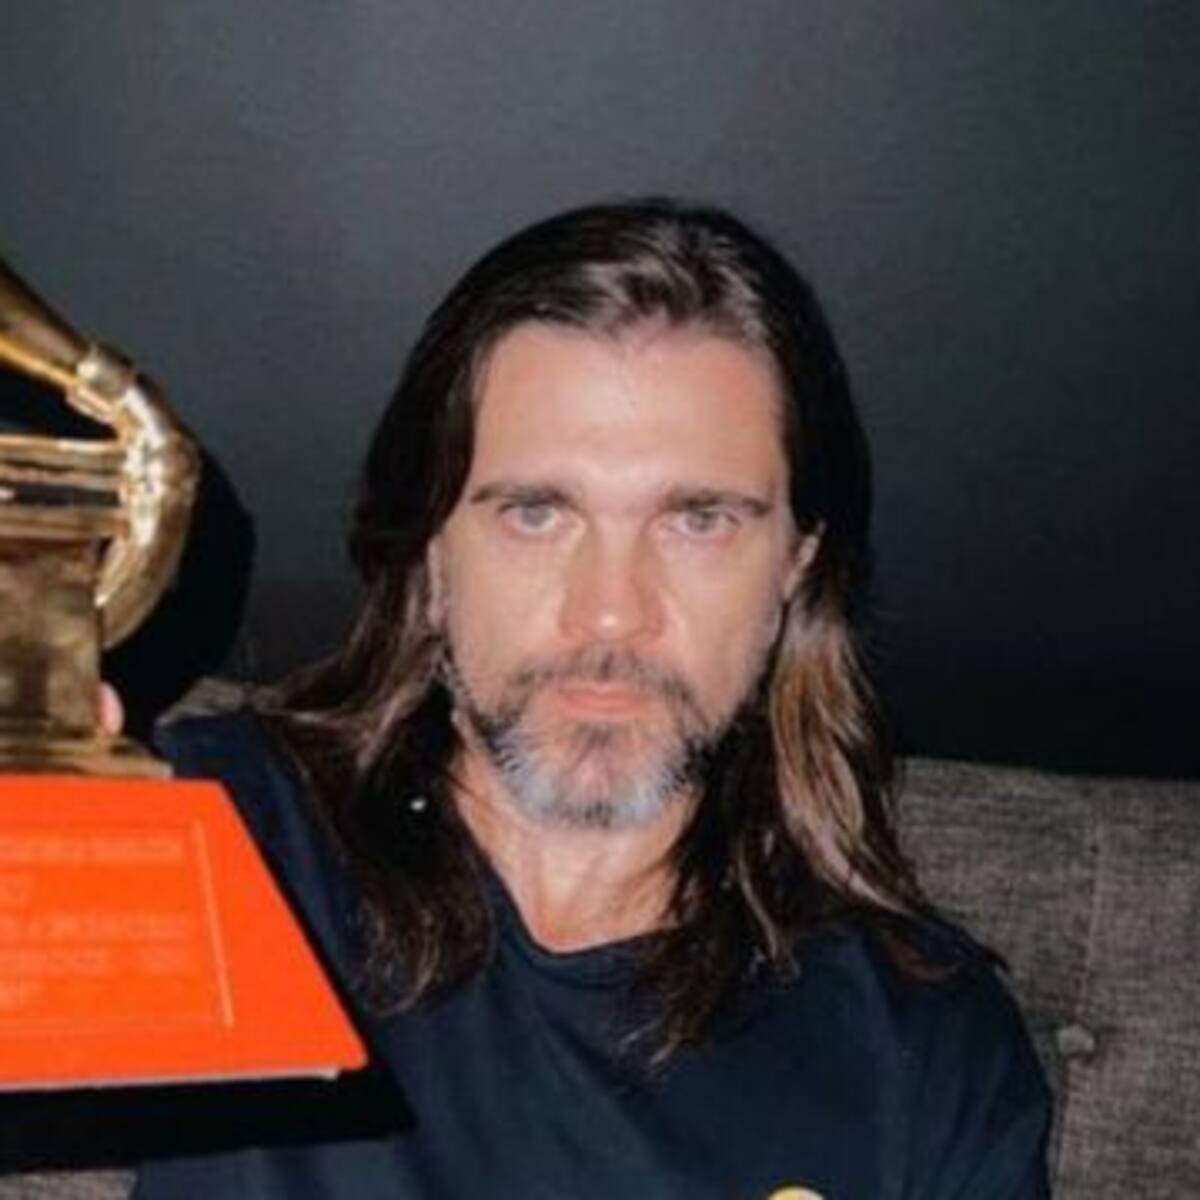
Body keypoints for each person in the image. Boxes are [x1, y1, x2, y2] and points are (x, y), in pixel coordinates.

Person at [136, 199, 1050, 1198]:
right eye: (537, 513)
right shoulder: (210, 838)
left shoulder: (930, 1052)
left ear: (794, 565)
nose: (611, 614)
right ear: (433, 554)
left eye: (698, 521)